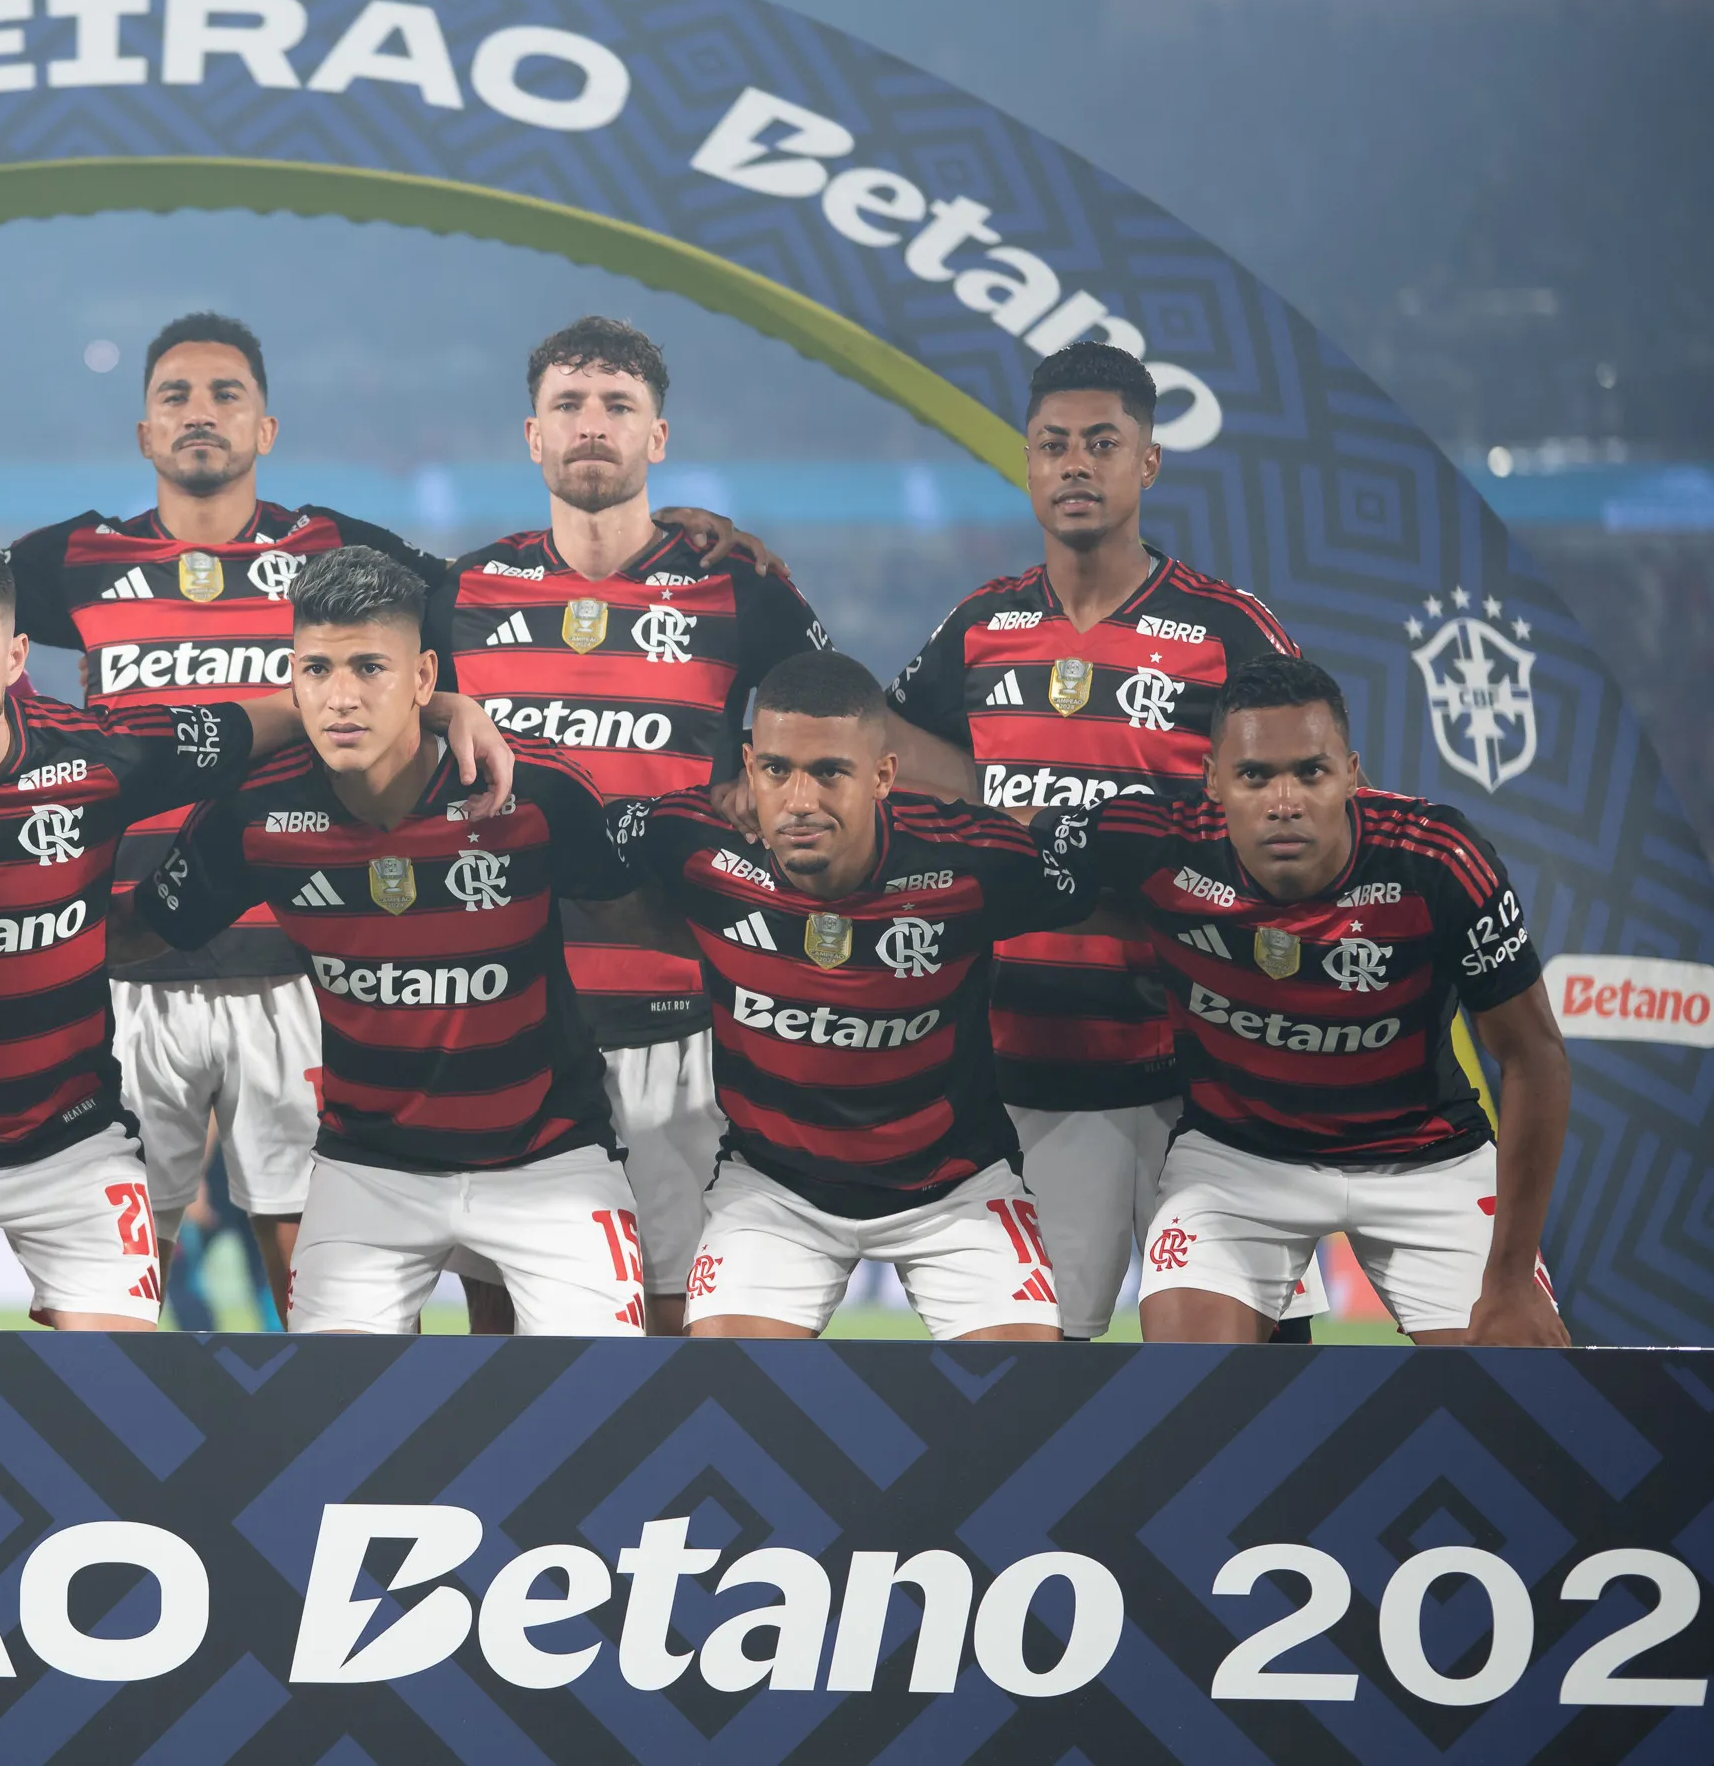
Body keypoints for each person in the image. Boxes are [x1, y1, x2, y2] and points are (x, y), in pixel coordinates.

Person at [0, 311, 759, 1321]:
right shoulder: (75, 559)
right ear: (143, 430)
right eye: (175, 396)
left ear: (265, 426)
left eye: (226, 394)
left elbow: (475, 602)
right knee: (131, 1260)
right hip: (128, 954)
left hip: (297, 954)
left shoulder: (337, 549)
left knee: (306, 1254)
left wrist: (662, 536)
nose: (199, 413)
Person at [0, 539, 515, 1330]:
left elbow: (273, 717)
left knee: (112, 1392)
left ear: (14, 657)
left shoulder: (102, 755)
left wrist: (438, 705)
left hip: (73, 1148)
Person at [881, 339, 1315, 1341]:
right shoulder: (978, 626)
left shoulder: (1229, 631)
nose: (1075, 465)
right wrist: (995, 820)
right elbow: (888, 755)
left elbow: (1320, 806)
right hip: (1030, 1067)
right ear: (1029, 463)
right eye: (1054, 445)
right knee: (1036, 1386)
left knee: (1254, 1379)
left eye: (1102, 444)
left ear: (1147, 462)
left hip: (1207, 1074)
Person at [122, 547, 650, 1335]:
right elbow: (141, 931)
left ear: (424, 677)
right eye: (318, 669)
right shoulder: (254, 812)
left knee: (604, 1395)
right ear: (292, 679)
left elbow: (638, 913)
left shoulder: (531, 791)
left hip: (551, 1159)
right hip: (368, 1167)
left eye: (370, 667)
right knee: (333, 1402)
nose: (342, 697)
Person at [434, 316, 825, 1333]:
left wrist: (763, 786)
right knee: (500, 1324)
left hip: (676, 1014)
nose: (592, 424)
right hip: (503, 1013)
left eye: (618, 406)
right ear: (534, 435)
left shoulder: (742, 589)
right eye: (568, 404)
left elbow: (837, 735)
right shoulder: (459, 591)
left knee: (667, 1319)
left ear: (657, 437)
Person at [1036, 656, 1570, 1346]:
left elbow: (1534, 1056)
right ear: (1212, 781)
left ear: (1351, 775)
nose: (1283, 801)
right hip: (1237, 1159)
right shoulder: (1153, 840)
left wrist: (1510, 1281)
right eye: (1255, 775)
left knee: (1517, 1377)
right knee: (1188, 1381)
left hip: (1424, 1158)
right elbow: (993, 854)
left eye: (1311, 772)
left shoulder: (1438, 859)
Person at [604, 651, 1087, 1342]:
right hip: (773, 1193)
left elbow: (1112, 882)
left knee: (1025, 1392)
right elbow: (573, 851)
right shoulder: (691, 835)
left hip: (956, 1192)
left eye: (830, 772)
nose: (801, 801)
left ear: (883, 775)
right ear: (748, 768)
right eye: (777, 770)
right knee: (722, 1384)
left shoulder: (974, 858)